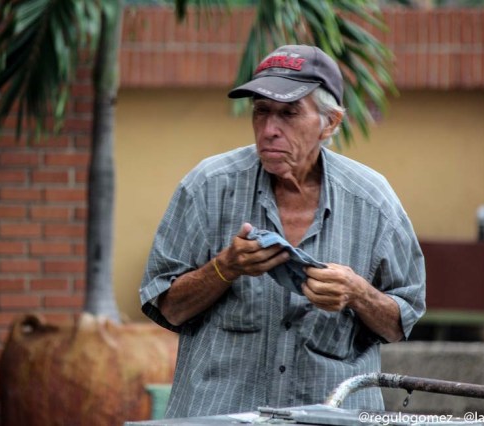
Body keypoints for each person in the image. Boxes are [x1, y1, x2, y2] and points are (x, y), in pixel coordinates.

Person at [139, 44, 426, 418]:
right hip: (219, 417)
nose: (269, 130)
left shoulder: (373, 201)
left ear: (330, 122)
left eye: (289, 113)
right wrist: (224, 268)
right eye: (261, 112)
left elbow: (401, 321)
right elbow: (167, 308)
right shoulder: (207, 186)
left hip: (329, 418)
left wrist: (358, 293)